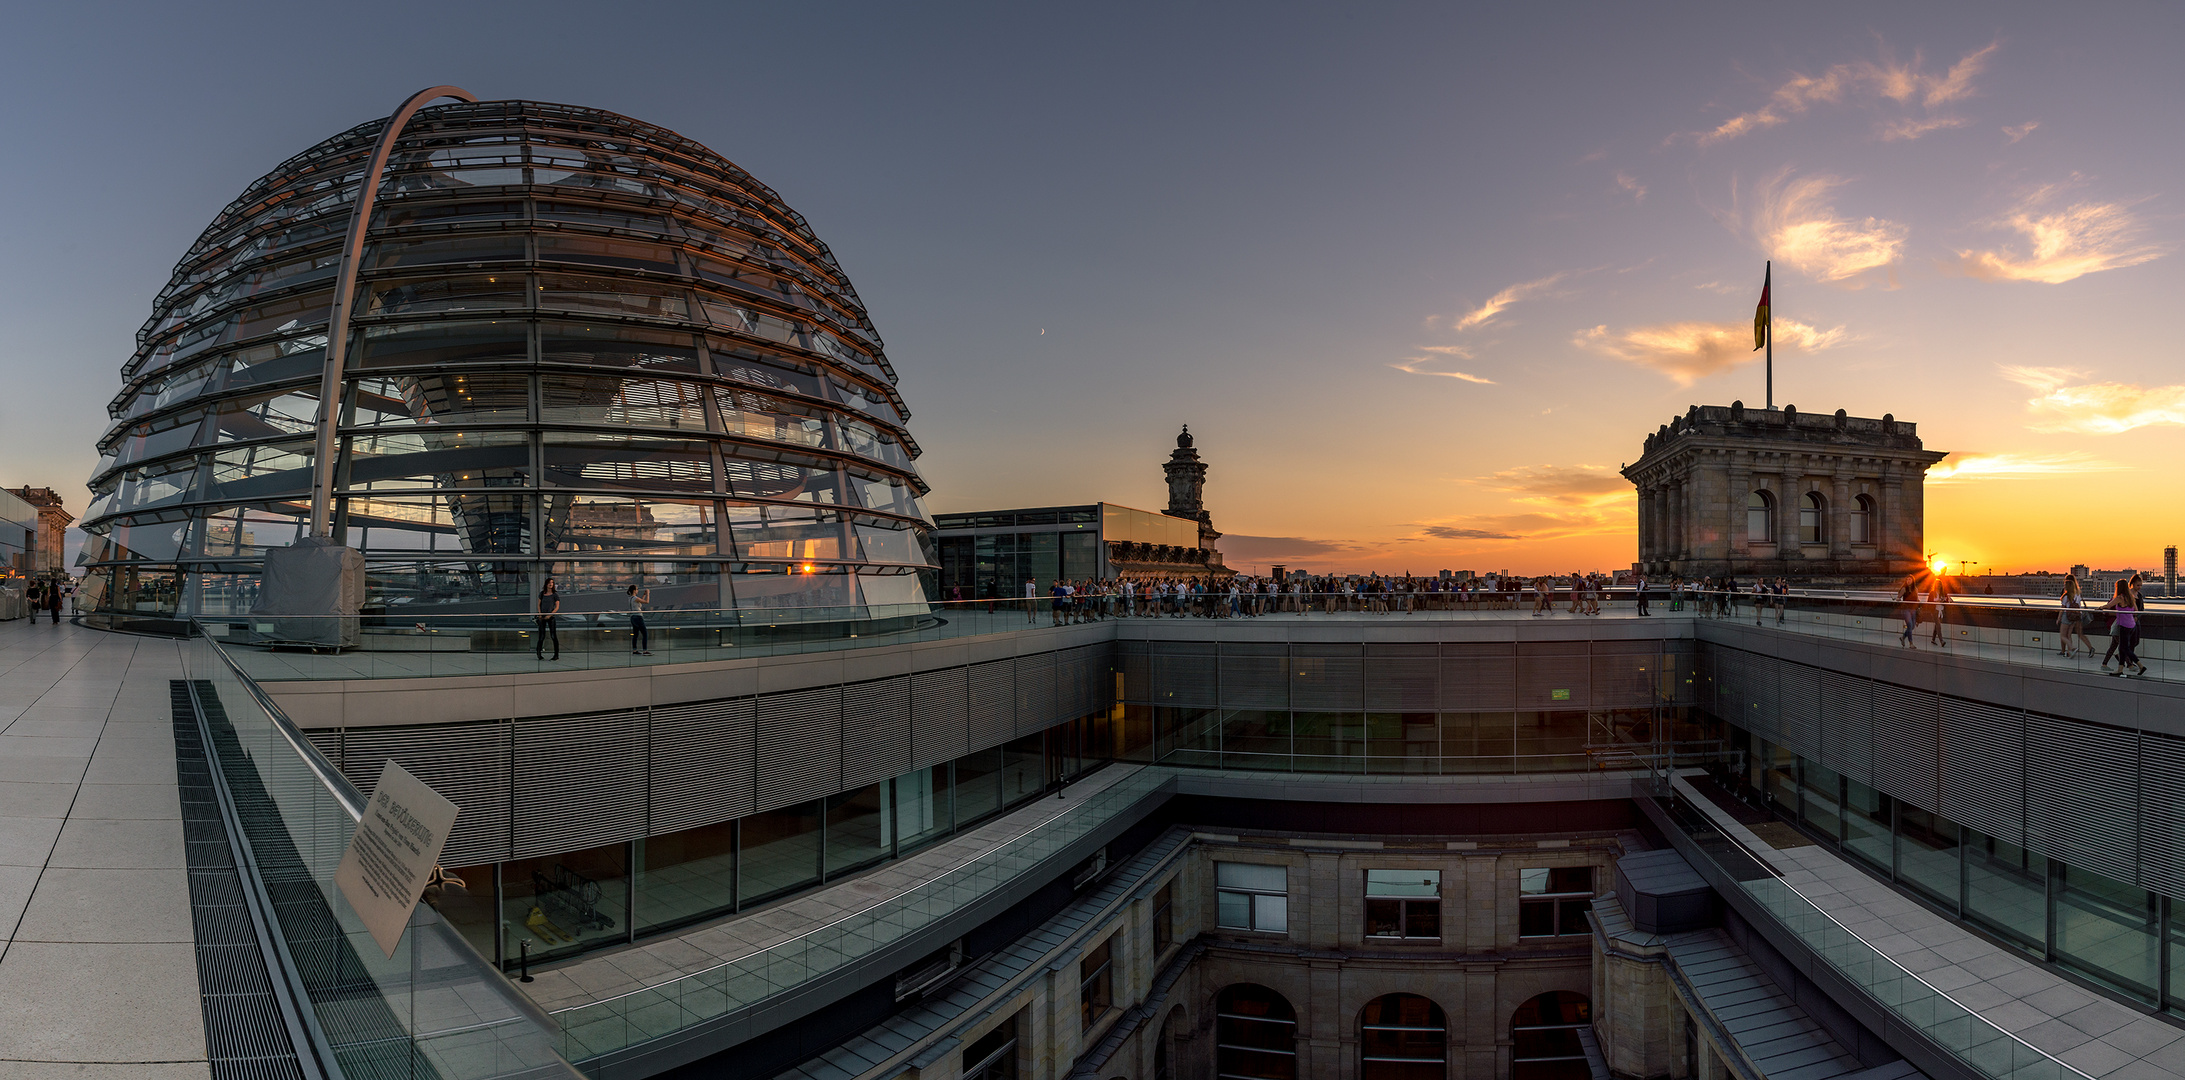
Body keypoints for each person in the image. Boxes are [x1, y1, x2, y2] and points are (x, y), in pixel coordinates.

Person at [2104, 578, 2146, 677]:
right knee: (2122, 648)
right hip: (2132, 625)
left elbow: (2108, 606)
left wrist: (2099, 608)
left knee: (2124, 648)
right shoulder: (2131, 597)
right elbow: (2136, 610)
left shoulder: (2120, 597)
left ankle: (2140, 665)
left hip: (2123, 625)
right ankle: (2120, 669)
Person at [2058, 575, 2092, 658]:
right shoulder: (2077, 593)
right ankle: (2070, 651)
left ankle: (2070, 649)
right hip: (2075, 615)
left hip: (2067, 615)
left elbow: (2063, 608)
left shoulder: (2066, 596)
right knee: (2069, 634)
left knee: (2063, 635)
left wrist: (2058, 618)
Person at [535, 578, 562, 660]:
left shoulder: (555, 594)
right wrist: (540, 614)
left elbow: (557, 607)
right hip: (542, 617)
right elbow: (539, 604)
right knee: (541, 636)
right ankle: (539, 654)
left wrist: (550, 615)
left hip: (551, 617)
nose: (551, 584)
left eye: (552, 583)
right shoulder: (542, 594)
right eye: (549, 583)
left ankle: (556, 655)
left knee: (553, 636)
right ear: (546, 584)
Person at [624, 584, 652, 655]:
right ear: (634, 590)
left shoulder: (631, 598)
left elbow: (640, 601)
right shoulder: (635, 598)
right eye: (637, 589)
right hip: (638, 617)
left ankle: (634, 650)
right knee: (645, 633)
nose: (637, 590)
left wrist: (644, 595)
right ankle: (645, 650)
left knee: (635, 634)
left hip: (633, 617)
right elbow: (646, 602)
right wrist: (648, 594)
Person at [1929, 575, 1950, 647]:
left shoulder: (1943, 593)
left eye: (1940, 585)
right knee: (1938, 625)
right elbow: (1928, 602)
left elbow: (1947, 600)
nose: (1938, 586)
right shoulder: (1932, 593)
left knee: (1936, 626)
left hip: (1941, 610)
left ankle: (1933, 639)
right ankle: (1941, 641)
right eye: (1937, 584)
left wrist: (1945, 600)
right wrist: (1937, 601)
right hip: (1934, 611)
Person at [1898, 581, 1919, 648]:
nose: (1908, 581)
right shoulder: (1904, 589)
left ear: (1913, 581)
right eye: (1907, 579)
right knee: (1909, 625)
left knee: (1912, 626)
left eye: (1910, 579)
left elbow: (1917, 599)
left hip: (1913, 609)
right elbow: (1899, 596)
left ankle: (1903, 637)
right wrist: (1897, 599)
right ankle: (1911, 643)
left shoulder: (1915, 589)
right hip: (1906, 609)